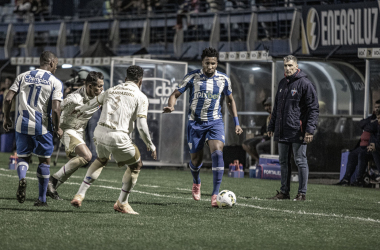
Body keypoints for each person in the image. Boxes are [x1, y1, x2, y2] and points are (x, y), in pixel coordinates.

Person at [70, 65, 157, 214]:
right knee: (136, 165)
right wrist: (151, 144)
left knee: (101, 160)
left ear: (125, 79)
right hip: (118, 137)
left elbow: (93, 103)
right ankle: (122, 203)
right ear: (140, 81)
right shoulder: (141, 96)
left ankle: (80, 194)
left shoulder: (112, 89)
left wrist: (79, 110)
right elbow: (142, 126)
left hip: (99, 133)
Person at [163, 47, 243, 207]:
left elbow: (229, 100)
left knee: (218, 153)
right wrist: (171, 106)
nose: (210, 66)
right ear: (202, 62)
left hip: (215, 122)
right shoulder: (192, 77)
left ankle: (215, 195)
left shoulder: (224, 79)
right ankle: (196, 181)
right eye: (207, 63)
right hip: (196, 123)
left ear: (217, 63)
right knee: (196, 161)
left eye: (213, 63)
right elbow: (174, 94)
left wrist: (237, 123)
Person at [3, 51, 63, 206]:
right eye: (56, 64)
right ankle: (42, 199)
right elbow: (56, 109)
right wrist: (57, 127)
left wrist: (6, 118)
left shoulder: (23, 76)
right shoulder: (54, 82)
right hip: (42, 126)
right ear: (50, 63)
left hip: (21, 124)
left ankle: (22, 178)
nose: (56, 66)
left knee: (23, 157)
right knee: (44, 161)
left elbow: (8, 98)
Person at [267, 55, 319, 201]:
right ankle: (284, 192)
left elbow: (313, 109)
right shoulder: (282, 83)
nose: (288, 68)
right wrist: (272, 125)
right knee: (283, 161)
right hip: (283, 130)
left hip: (298, 130)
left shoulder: (305, 83)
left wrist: (310, 130)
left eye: (290, 65)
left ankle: (302, 193)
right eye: (285, 66)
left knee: (300, 160)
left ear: (296, 66)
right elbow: (276, 108)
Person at [46, 71, 104, 200]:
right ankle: (51, 181)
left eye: (102, 86)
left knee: (79, 160)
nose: (101, 89)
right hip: (66, 129)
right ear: (89, 85)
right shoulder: (74, 98)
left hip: (79, 131)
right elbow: (55, 110)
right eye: (98, 86)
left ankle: (51, 186)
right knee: (87, 156)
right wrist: (56, 128)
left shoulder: (100, 95)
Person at [335, 100, 380, 186]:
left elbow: (371, 128)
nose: (377, 109)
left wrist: (375, 145)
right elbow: (361, 124)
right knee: (352, 154)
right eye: (376, 107)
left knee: (363, 154)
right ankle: (346, 179)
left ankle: (359, 179)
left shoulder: (376, 123)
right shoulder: (372, 118)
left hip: (371, 147)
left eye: (379, 107)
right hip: (365, 146)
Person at [242, 97, 272, 166]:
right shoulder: (268, 117)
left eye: (269, 105)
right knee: (245, 144)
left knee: (259, 146)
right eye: (266, 106)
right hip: (265, 137)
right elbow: (263, 130)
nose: (268, 108)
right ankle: (258, 160)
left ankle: (265, 164)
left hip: (272, 139)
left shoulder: (276, 116)